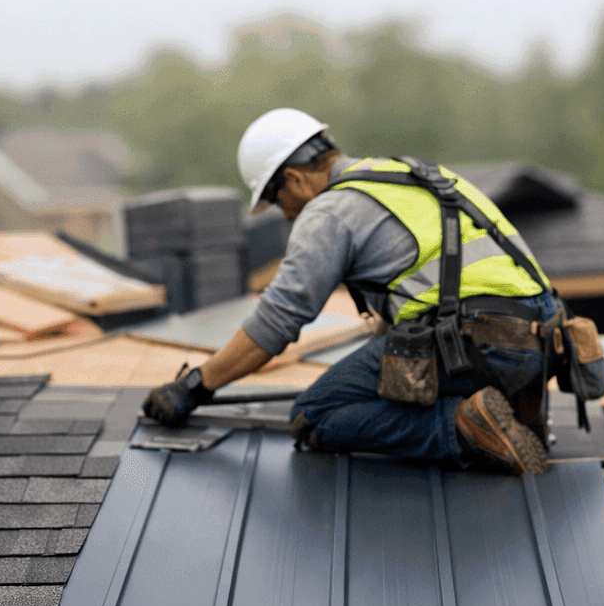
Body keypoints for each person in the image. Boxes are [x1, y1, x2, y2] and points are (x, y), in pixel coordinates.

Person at [142, 108, 569, 475]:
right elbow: (437, 279)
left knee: (314, 415)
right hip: (542, 342)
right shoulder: (407, 174)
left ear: (293, 180)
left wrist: (195, 387)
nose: (284, 214)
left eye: (276, 200)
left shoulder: (330, 210)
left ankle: (463, 425)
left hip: (479, 345)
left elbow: (277, 320)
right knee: (393, 364)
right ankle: (510, 415)